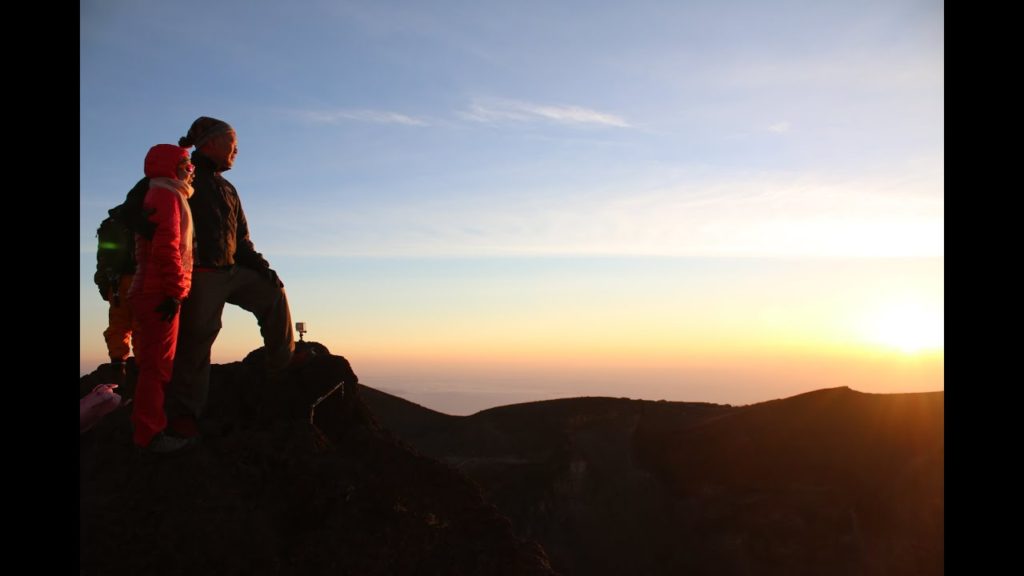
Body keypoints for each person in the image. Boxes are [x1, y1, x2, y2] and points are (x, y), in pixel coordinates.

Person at [165, 117, 295, 437]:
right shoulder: (185, 177)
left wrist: (264, 270)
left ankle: (282, 367)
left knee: (274, 295)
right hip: (199, 273)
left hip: (232, 270)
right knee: (198, 337)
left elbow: (243, 241)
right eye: (232, 142)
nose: (237, 149)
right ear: (210, 143)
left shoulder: (228, 189)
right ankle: (184, 413)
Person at [128, 144, 197, 453]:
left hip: (147, 290)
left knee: (149, 363)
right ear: (171, 166)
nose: (191, 169)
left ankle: (146, 428)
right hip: (158, 292)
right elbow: (167, 246)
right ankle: (149, 435)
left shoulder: (161, 193)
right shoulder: (168, 195)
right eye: (186, 163)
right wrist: (175, 291)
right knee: (157, 367)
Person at [94, 205, 138, 385]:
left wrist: (104, 286)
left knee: (118, 325)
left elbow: (102, 260)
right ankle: (145, 367)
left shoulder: (110, 226)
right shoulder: (143, 220)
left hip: (116, 284)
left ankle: (118, 365)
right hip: (141, 279)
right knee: (141, 325)